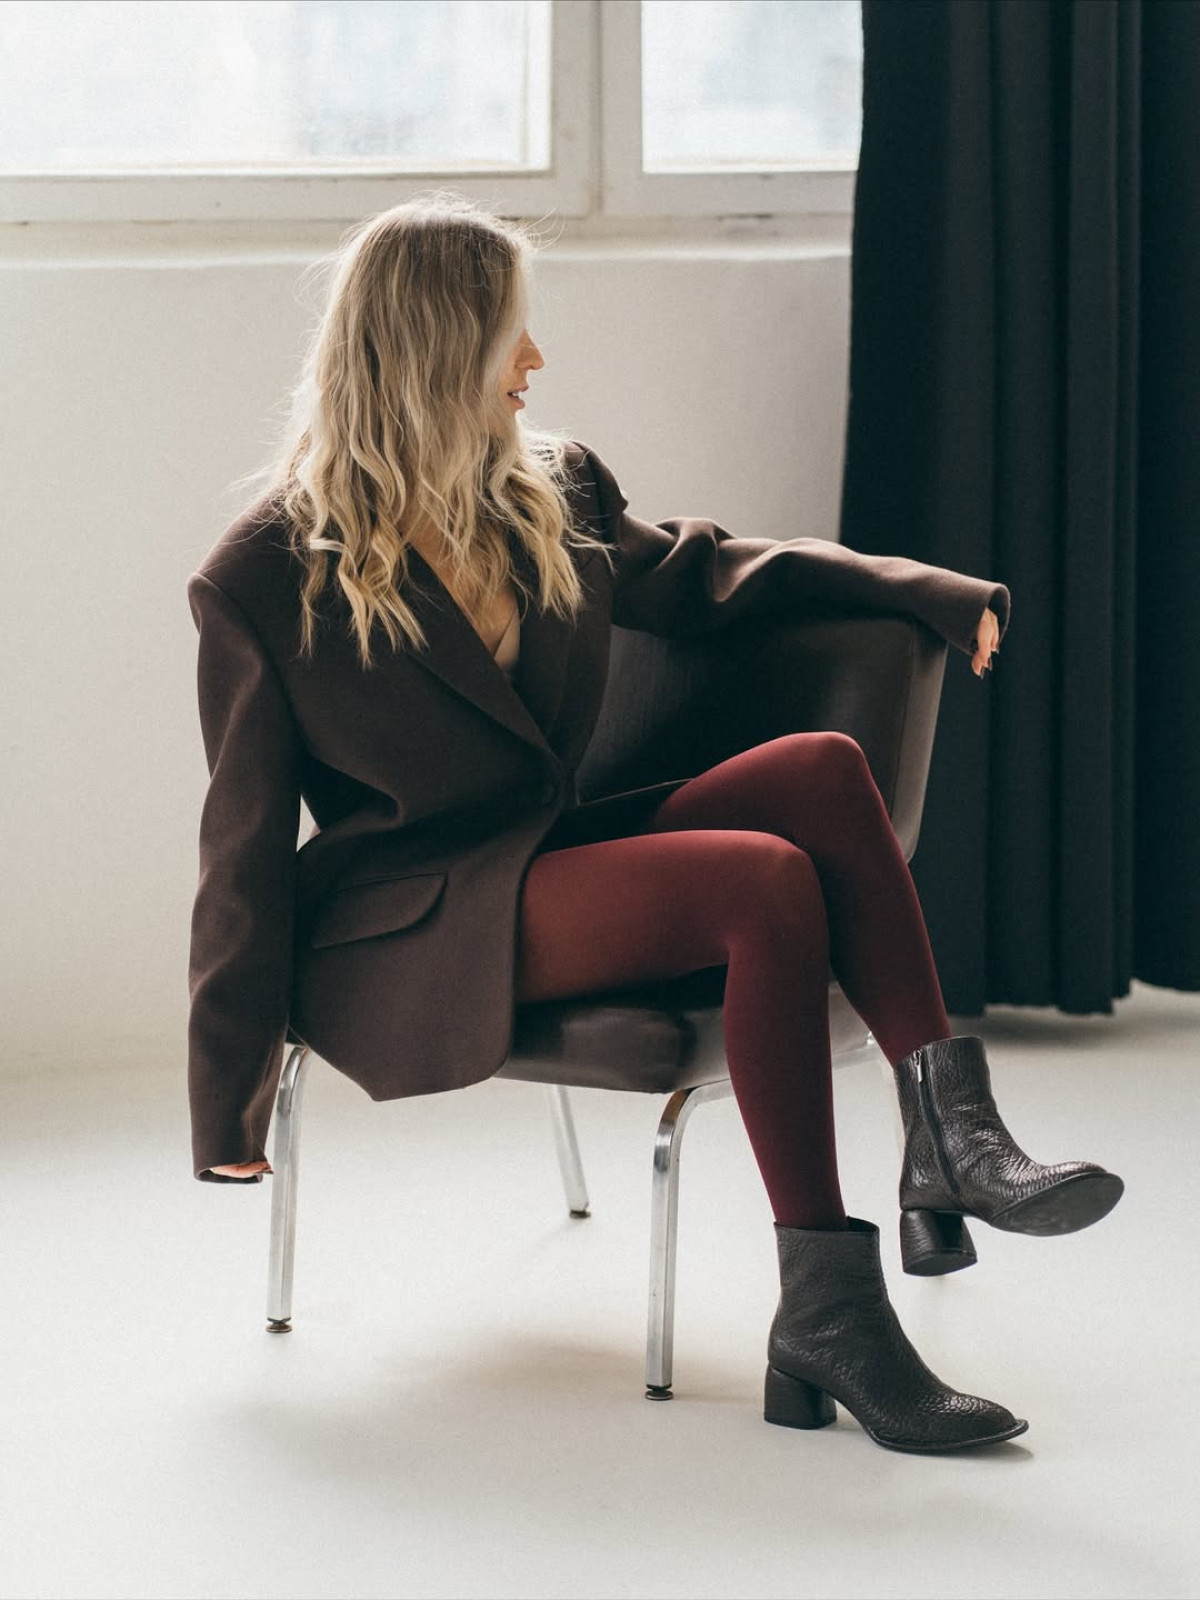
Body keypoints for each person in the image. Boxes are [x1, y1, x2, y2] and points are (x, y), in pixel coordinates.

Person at [186, 191, 1123, 1455]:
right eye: (511, 333)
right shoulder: (263, 575)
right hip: (409, 926)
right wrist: (227, 1102)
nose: (534, 358)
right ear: (438, 348)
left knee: (821, 769)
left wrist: (930, 594)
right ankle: (831, 1309)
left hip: (545, 857)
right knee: (757, 879)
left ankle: (953, 1134)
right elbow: (240, 850)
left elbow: (714, 571)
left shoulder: (552, 489)